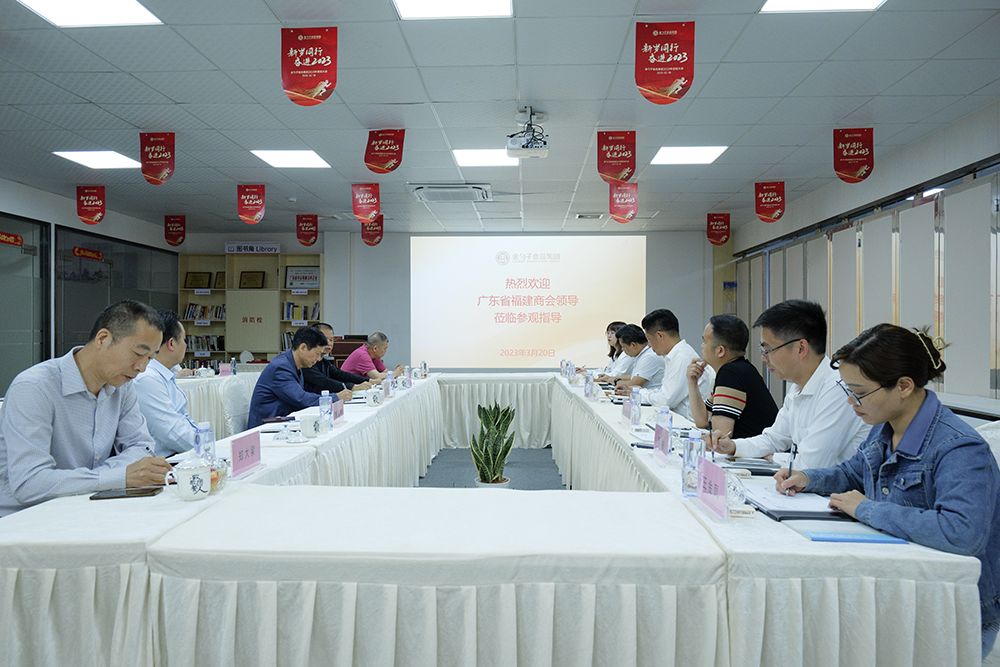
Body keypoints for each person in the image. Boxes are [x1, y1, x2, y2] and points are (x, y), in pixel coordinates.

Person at [775, 324, 1000, 660]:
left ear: (904, 386)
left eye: (859, 392)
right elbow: (854, 472)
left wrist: (866, 509)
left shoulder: (959, 448)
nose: (851, 402)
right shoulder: (885, 425)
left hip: (951, 607)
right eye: (847, 389)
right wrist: (808, 478)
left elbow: (961, 532)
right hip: (899, 586)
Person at [0, 300, 173, 517]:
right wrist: (118, 476)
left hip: (86, 507)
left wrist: (103, 478)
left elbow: (141, 446)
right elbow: (30, 483)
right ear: (102, 339)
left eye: (150, 358)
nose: (142, 368)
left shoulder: (122, 387)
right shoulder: (35, 388)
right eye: (138, 353)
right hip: (26, 519)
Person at [706, 300, 868, 469]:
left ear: (800, 348)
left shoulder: (836, 390)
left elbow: (810, 464)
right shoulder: (798, 387)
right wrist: (733, 446)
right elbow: (773, 439)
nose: (764, 357)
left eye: (768, 350)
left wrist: (774, 458)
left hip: (830, 485)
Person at [687, 314, 778, 439]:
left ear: (720, 351)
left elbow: (720, 437)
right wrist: (692, 382)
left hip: (757, 450)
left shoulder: (730, 374)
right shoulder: (739, 369)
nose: (702, 346)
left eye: (705, 342)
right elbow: (702, 421)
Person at [134, 310, 199, 457]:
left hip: (177, 454)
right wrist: (206, 447)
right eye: (184, 340)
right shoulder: (147, 379)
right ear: (171, 343)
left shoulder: (164, 374)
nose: (186, 345)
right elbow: (172, 433)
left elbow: (184, 420)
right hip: (163, 460)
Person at [247, 326, 333, 429]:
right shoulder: (280, 367)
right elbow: (301, 398)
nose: (318, 359)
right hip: (265, 428)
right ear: (303, 348)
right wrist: (336, 398)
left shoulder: (294, 364)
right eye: (317, 354)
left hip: (282, 423)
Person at [637, 309, 714, 421]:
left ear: (660, 335)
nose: (649, 345)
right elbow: (665, 392)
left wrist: (640, 393)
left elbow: (666, 400)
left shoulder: (682, 357)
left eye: (649, 339)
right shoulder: (676, 355)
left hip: (688, 424)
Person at [302, 323, 370, 399]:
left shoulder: (324, 362)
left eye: (331, 340)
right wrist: (352, 387)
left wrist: (368, 381)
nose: (329, 343)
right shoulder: (306, 362)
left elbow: (340, 374)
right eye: (324, 339)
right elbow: (324, 381)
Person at [611, 324, 665, 391]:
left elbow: (634, 383)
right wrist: (614, 379)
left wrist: (615, 381)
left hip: (649, 395)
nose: (622, 349)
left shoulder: (649, 356)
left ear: (633, 345)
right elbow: (635, 376)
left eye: (623, 346)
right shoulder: (642, 354)